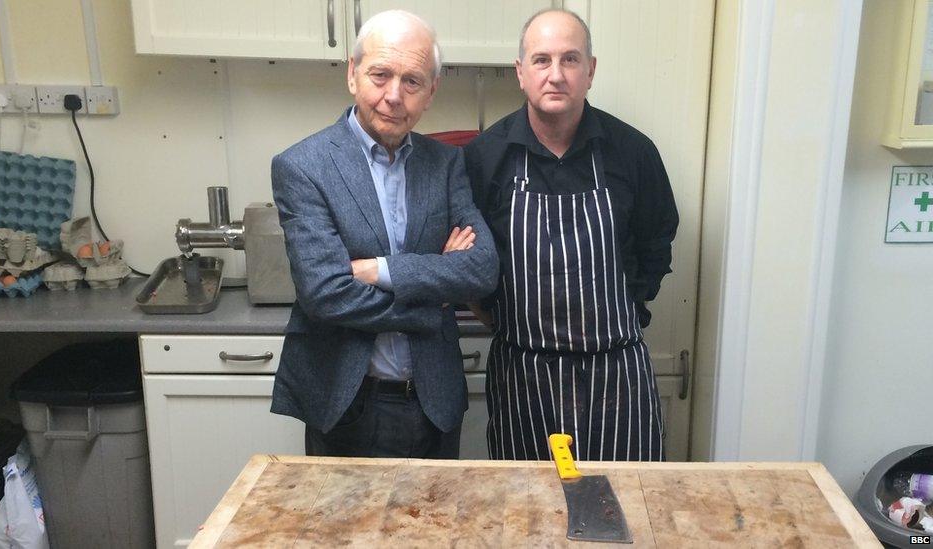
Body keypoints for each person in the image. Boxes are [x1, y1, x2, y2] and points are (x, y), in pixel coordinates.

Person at [270, 10, 499, 459]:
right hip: (347, 403)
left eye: (412, 81)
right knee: (345, 531)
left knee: (434, 528)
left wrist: (381, 270)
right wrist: (431, 300)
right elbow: (325, 293)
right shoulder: (303, 166)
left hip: (434, 402)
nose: (394, 95)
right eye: (380, 75)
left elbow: (481, 268)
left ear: (431, 92)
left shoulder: (446, 163)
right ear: (353, 74)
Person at [463, 9, 678, 461]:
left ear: (591, 71)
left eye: (570, 60)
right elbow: (468, 259)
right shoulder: (484, 159)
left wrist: (626, 309)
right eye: (541, 60)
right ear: (521, 73)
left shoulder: (634, 152)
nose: (555, 75)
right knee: (527, 516)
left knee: (628, 511)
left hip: (617, 377)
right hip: (524, 376)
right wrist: (497, 316)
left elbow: (657, 243)